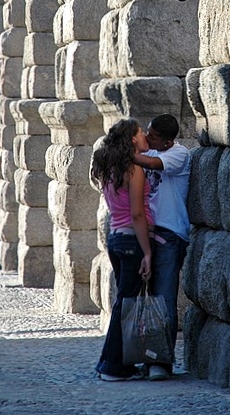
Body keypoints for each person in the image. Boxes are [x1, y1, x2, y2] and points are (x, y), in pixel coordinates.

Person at [92, 118, 153, 382]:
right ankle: (112, 368)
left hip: (116, 238)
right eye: (141, 132)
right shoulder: (133, 170)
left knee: (122, 304)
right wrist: (147, 252)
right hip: (131, 240)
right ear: (131, 139)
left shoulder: (109, 168)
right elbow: (137, 214)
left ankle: (109, 362)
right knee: (125, 305)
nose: (145, 136)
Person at [133, 113, 191, 381]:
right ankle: (144, 357)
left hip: (169, 233)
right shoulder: (148, 151)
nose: (147, 138)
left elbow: (154, 163)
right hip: (146, 233)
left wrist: (125, 153)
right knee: (142, 299)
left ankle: (162, 362)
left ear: (168, 141)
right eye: (146, 133)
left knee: (164, 299)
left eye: (153, 136)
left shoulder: (178, 155)